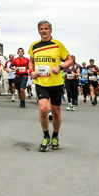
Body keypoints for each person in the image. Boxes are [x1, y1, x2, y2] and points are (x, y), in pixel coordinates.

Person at [29, 21, 71, 151]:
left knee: (56, 111)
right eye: (41, 29)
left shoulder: (58, 45)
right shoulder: (34, 46)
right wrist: (31, 71)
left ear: (51, 30)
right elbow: (31, 61)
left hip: (56, 83)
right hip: (41, 82)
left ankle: (55, 136)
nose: (44, 31)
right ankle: (46, 136)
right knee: (43, 108)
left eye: (46, 28)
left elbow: (69, 60)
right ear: (38, 31)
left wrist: (60, 67)